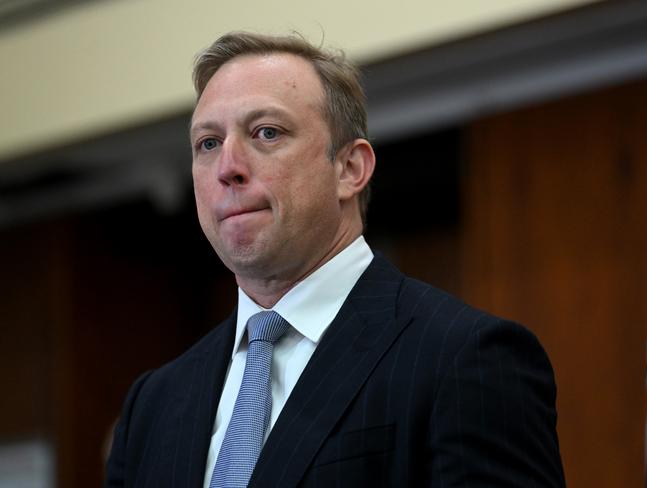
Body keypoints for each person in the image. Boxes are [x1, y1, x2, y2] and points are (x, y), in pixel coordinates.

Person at [105, 32, 565, 487]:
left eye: (267, 132)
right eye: (208, 143)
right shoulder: (152, 405)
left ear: (350, 169)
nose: (228, 167)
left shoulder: (466, 358)